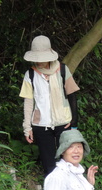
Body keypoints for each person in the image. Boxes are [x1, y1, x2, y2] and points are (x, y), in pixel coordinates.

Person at [19, 35, 80, 176]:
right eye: (37, 58)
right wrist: (27, 127)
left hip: (63, 122)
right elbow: (28, 103)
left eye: (42, 58)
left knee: (69, 162)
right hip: (41, 125)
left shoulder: (62, 70)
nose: (39, 62)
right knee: (49, 165)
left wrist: (74, 122)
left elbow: (72, 96)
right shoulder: (30, 75)